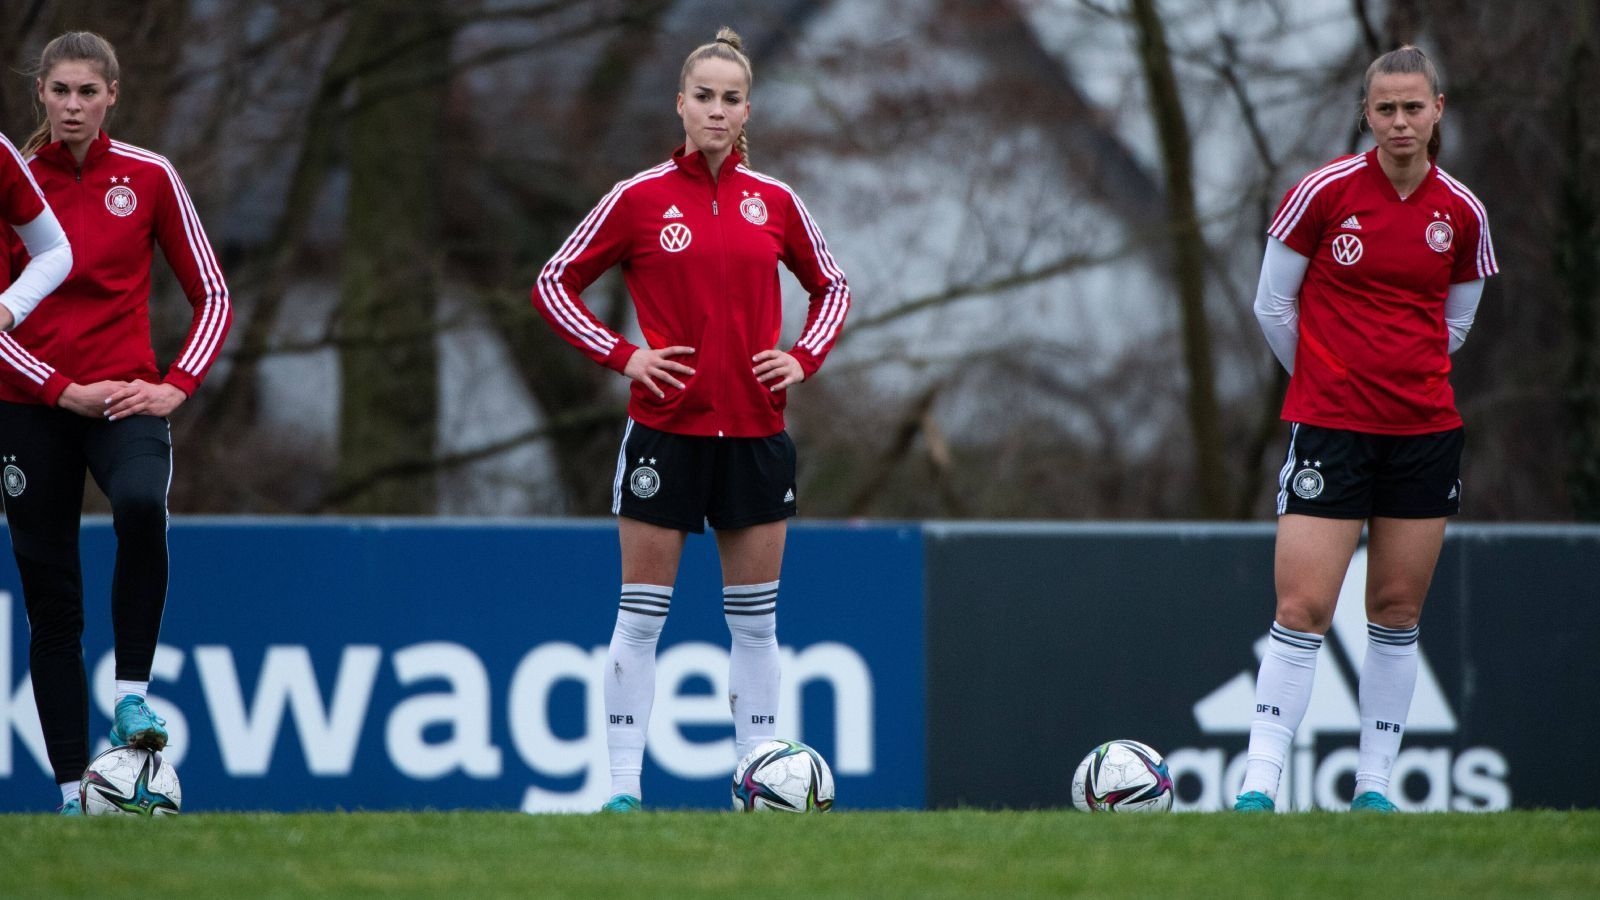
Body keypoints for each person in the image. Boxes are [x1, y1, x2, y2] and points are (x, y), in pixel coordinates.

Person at [533, 26, 850, 812]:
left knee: (754, 626)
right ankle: (622, 792)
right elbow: (553, 283)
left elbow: (833, 287)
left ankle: (755, 783)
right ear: (680, 105)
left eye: (731, 99)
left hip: (755, 436)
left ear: (748, 110)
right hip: (664, 434)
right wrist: (624, 354)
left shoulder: (774, 202)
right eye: (703, 97)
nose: (716, 110)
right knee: (641, 620)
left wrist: (802, 357)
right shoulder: (638, 198)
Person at [1236, 45, 1495, 813]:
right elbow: (1272, 306)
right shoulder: (1322, 193)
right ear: (1367, 115)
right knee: (1301, 609)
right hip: (1329, 428)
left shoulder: (1463, 212)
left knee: (1395, 611)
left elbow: (1455, 326)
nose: (1400, 122)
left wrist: (1398, 380)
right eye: (1385, 109)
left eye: (1413, 107)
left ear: (1438, 110)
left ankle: (1374, 788)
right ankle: (1258, 786)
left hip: (1423, 434)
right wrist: (1324, 378)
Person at [0, 32, 232, 815]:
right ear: (40, 93)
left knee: (140, 505)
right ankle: (74, 793)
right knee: (51, 600)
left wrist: (176, 385)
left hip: (127, 399)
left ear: (112, 96)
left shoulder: (151, 176)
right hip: (31, 408)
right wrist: (60, 388)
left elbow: (214, 294)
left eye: (86, 93)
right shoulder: (13, 183)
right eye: (59, 91)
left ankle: (133, 694)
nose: (72, 106)